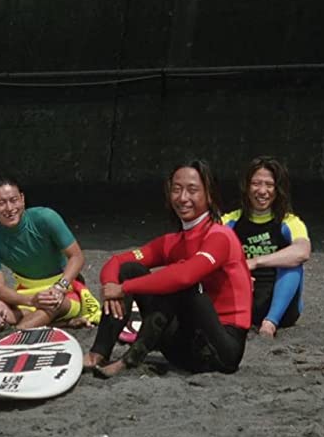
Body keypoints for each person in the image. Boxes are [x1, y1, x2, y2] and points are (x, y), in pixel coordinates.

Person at [84, 160, 251, 377]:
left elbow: (185, 276)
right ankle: (98, 353)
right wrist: (111, 286)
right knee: (129, 269)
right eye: (176, 189)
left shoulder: (220, 237)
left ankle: (130, 359)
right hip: (184, 347)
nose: (183, 198)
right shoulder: (172, 241)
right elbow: (116, 261)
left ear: (209, 195)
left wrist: (124, 288)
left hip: (221, 351)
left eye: (192, 190)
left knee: (183, 282)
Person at [0, 176, 101, 330]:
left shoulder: (45, 218)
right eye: (1, 203)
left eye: (14, 200)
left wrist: (59, 288)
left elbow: (77, 257)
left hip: (63, 289)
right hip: (28, 293)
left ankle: (19, 330)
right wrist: (31, 300)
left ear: (22, 199)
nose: (9, 208)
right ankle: (61, 323)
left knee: (50, 305)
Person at [223, 156, 310, 338]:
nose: (262, 191)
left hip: (281, 306)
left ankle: (270, 323)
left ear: (277, 190)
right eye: (256, 184)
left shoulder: (289, 222)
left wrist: (254, 262)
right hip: (243, 299)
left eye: (269, 185)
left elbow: (302, 251)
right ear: (246, 187)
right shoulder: (230, 221)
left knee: (293, 263)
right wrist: (235, 271)